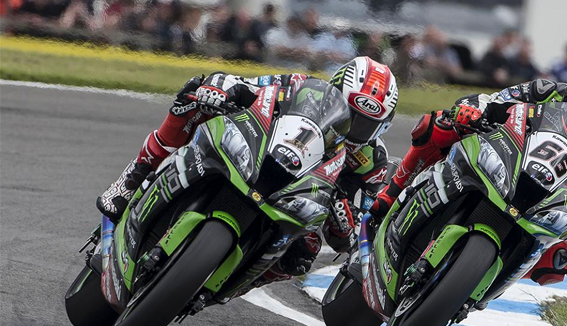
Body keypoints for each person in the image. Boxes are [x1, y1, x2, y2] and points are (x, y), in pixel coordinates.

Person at [97, 56, 399, 282]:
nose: (353, 127)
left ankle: (237, 281)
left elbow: (356, 231)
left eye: (365, 125)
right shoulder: (303, 87)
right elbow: (251, 85)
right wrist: (221, 89)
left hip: (297, 199)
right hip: (261, 154)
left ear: (381, 126)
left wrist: (344, 221)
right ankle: (134, 177)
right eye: (349, 113)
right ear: (334, 92)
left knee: (304, 253)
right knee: (193, 95)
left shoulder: (373, 162)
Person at [371, 65, 567, 287]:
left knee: (559, 260)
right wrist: (472, 109)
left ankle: (479, 285)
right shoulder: (545, 92)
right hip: (510, 160)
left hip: (551, 200)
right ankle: (391, 194)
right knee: (440, 124)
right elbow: (493, 100)